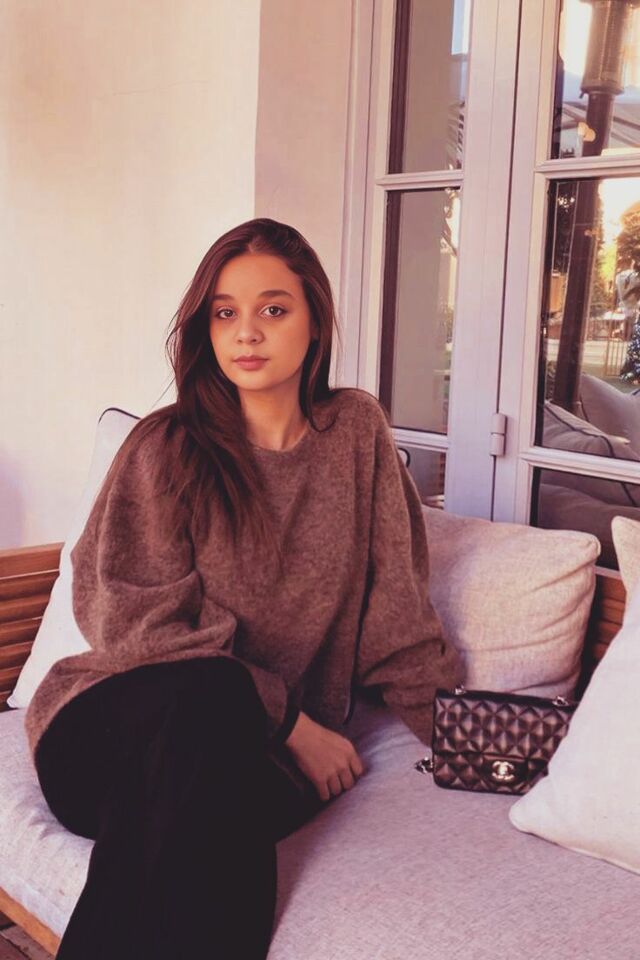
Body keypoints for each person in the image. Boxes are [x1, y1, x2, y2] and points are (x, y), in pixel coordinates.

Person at [25, 217, 462, 959]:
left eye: (273, 309)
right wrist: (292, 724)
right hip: (106, 731)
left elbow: (398, 618)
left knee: (201, 837)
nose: (246, 333)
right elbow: (134, 626)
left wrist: (464, 737)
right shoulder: (167, 446)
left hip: (246, 763)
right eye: (225, 313)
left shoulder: (355, 433)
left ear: (315, 320)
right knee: (210, 697)